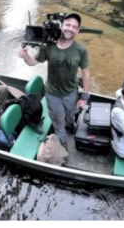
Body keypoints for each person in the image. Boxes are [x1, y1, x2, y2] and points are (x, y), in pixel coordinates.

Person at [18, 13, 90, 149]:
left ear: (78, 30)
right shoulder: (48, 45)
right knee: (59, 126)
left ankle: (71, 126)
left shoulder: (81, 50)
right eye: (68, 25)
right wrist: (25, 55)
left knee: (71, 116)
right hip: (52, 95)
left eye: (74, 27)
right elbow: (33, 62)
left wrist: (85, 96)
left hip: (72, 92)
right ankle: (63, 149)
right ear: (61, 25)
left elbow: (86, 73)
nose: (70, 29)